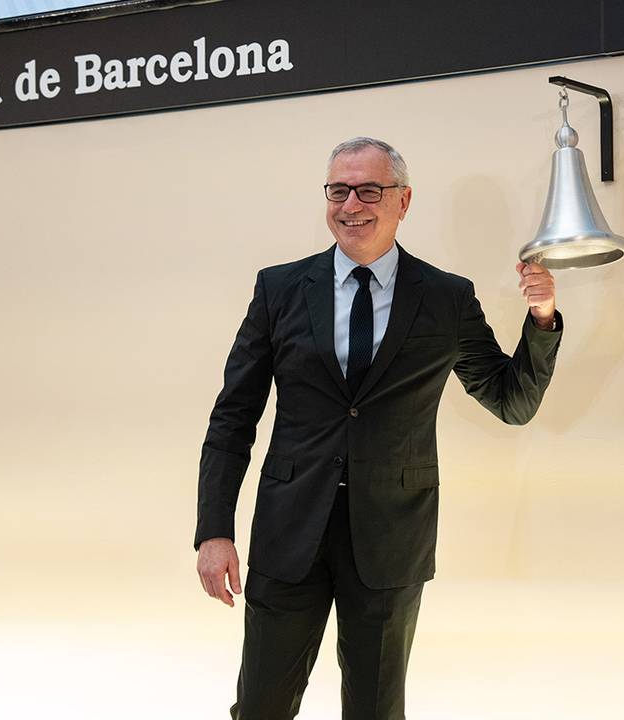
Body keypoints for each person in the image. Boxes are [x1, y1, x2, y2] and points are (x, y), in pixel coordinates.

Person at [194, 136, 562, 720]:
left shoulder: (446, 298)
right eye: (338, 191)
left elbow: (511, 401)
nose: (351, 205)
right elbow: (233, 416)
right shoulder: (280, 289)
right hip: (290, 533)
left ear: (403, 200)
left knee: (375, 711)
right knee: (262, 707)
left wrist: (541, 318)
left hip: (391, 539)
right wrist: (213, 530)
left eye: (369, 190)